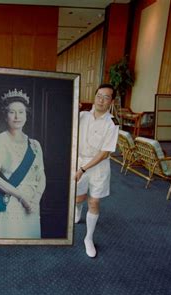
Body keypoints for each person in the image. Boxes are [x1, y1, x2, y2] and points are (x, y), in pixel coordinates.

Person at [0, 89, 46, 239]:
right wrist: (21, 197)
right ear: (5, 116)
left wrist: (36, 199)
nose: (17, 116)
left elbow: (41, 175)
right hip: (10, 199)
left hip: (32, 201)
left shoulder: (35, 145)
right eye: (12, 112)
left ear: (26, 115)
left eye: (21, 112)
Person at [74, 83, 119, 258]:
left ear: (111, 101)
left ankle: (88, 238)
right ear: (94, 97)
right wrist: (72, 109)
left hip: (98, 167)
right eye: (99, 96)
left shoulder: (112, 123)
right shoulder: (82, 116)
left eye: (106, 97)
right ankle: (78, 211)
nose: (101, 100)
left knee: (94, 202)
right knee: (79, 198)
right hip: (79, 162)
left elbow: (105, 152)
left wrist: (83, 169)